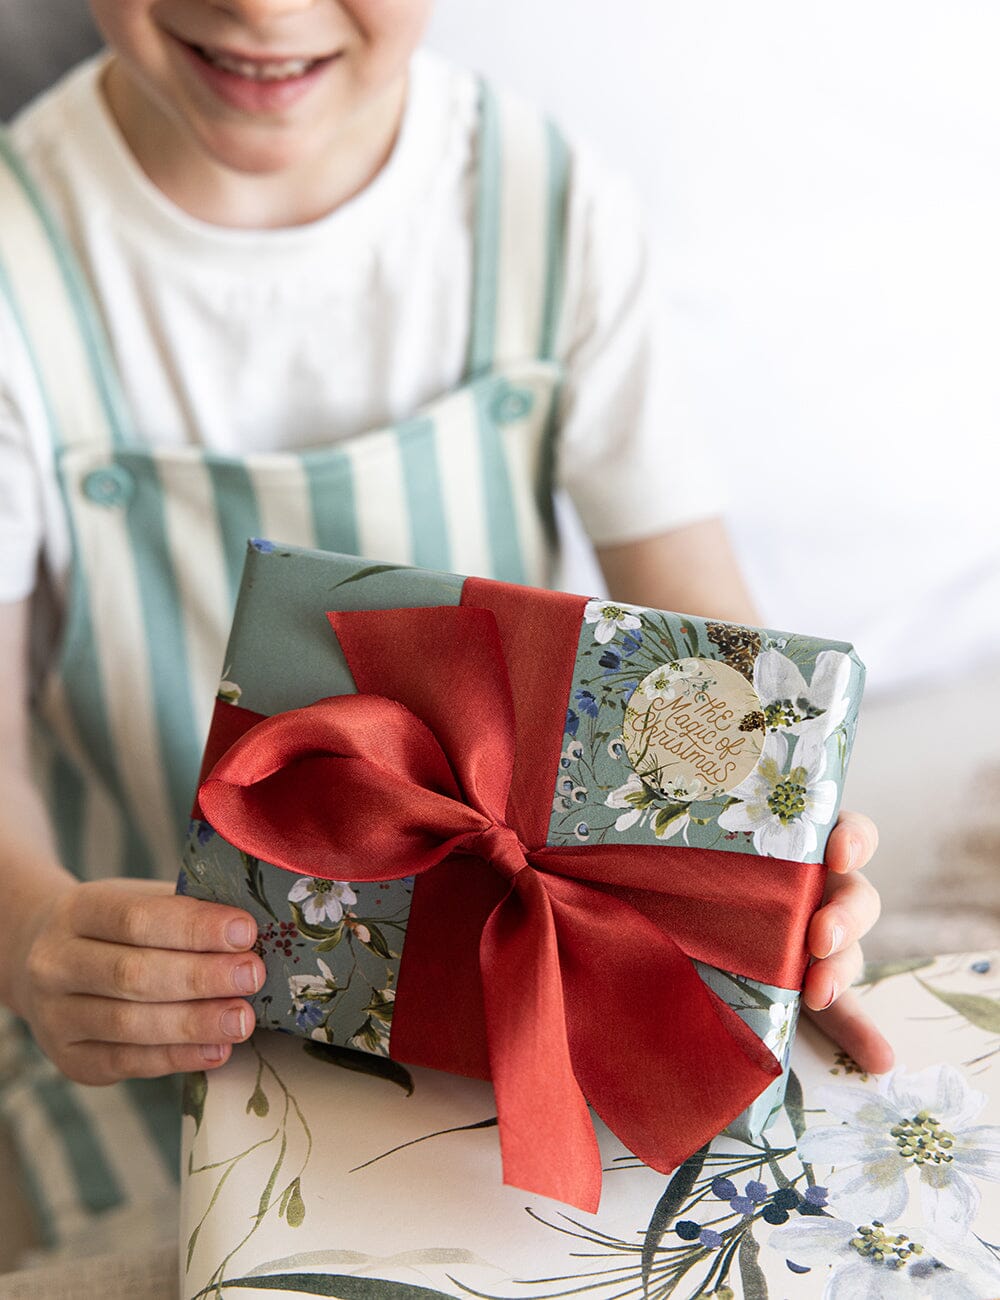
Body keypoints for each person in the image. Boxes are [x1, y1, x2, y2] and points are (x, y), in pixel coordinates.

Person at [0, 0, 888, 1186]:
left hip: (515, 997)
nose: (265, 7)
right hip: (158, 1008)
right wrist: (30, 935)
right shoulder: (19, 258)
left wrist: (774, 888)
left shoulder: (544, 203)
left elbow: (723, 660)